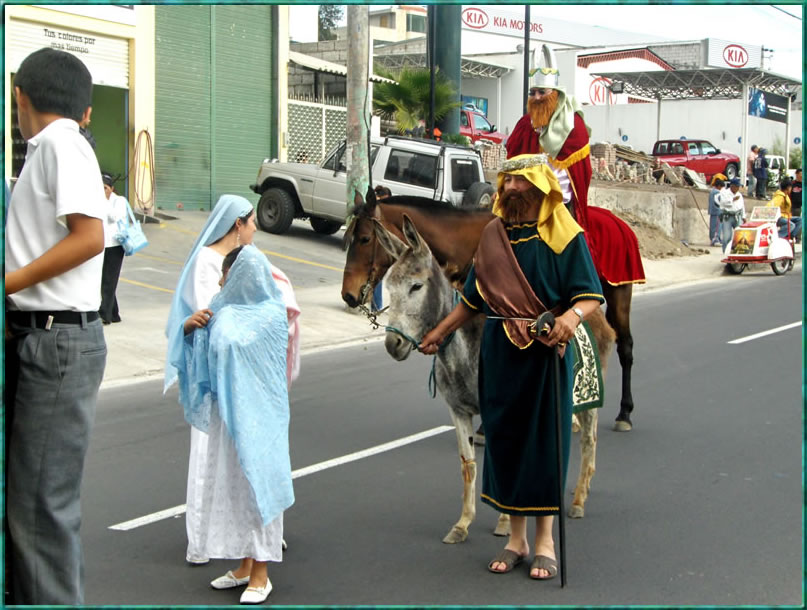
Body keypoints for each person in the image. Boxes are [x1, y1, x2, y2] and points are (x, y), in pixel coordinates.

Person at [420, 153, 604, 580]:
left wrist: (569, 319)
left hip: (545, 354)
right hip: (500, 355)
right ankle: (515, 539)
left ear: (542, 187)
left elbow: (590, 294)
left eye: (523, 184)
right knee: (505, 443)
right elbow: (473, 298)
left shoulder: (564, 233)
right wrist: (441, 332)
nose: (513, 190)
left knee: (542, 444)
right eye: (508, 184)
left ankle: (545, 542)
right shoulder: (492, 236)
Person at [4, 48, 107, 605]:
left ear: (21, 97)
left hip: (58, 339)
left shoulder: (59, 144)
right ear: (85, 108)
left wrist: (9, 283)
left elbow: (88, 236)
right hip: (45, 335)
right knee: (28, 511)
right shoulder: (55, 146)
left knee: (42, 517)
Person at [164, 194, 301, 571]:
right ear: (237, 223)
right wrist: (194, 328)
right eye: (252, 220)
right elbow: (213, 317)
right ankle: (219, 546)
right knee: (217, 471)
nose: (257, 227)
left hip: (251, 402)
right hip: (222, 393)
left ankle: (258, 564)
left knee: (248, 476)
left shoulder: (250, 271)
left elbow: (245, 317)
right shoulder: (210, 264)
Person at [504, 46, 592, 231]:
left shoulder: (573, 125)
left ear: (555, 93)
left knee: (562, 239)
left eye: (542, 92)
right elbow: (512, 163)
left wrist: (544, 194)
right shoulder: (524, 124)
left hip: (557, 201)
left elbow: (575, 176)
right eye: (532, 93)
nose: (536, 97)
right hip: (523, 197)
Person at [99, 172, 129, 324]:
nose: (102, 190)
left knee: (109, 281)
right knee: (105, 279)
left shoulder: (119, 201)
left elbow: (114, 217)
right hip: (102, 244)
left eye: (105, 187)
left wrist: (104, 201)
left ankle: (104, 314)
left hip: (115, 246)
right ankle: (114, 313)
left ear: (111, 188)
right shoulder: (96, 200)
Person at [717, 178, 745, 250]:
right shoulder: (724, 193)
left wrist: (743, 216)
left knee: (739, 234)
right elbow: (722, 203)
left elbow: (742, 206)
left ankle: (737, 250)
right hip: (727, 216)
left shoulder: (739, 195)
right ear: (732, 186)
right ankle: (726, 251)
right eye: (737, 186)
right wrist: (732, 199)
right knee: (727, 236)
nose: (738, 188)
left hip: (737, 215)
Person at [708, 178, 726, 246]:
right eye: (721, 187)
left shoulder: (712, 192)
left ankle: (713, 238)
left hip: (713, 212)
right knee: (717, 227)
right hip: (718, 212)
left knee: (713, 226)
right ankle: (715, 240)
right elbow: (720, 202)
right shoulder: (717, 193)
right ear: (718, 186)